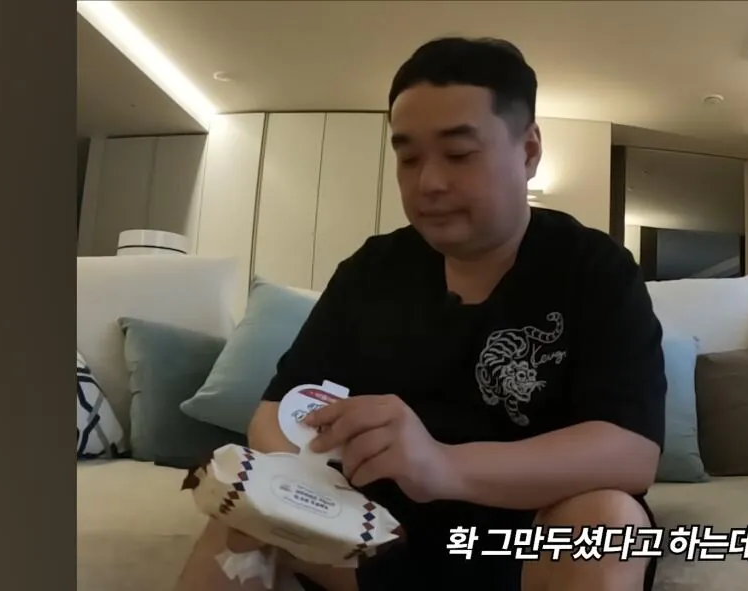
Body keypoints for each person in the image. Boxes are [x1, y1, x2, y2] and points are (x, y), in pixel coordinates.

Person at [174, 36, 667, 591]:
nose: (428, 182)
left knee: (608, 524)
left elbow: (630, 453)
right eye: (408, 158)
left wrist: (442, 465)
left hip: (522, 535)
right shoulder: (371, 269)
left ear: (528, 152)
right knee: (239, 518)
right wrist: (310, 488)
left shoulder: (594, 267)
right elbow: (274, 414)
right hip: (371, 536)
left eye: (458, 154)